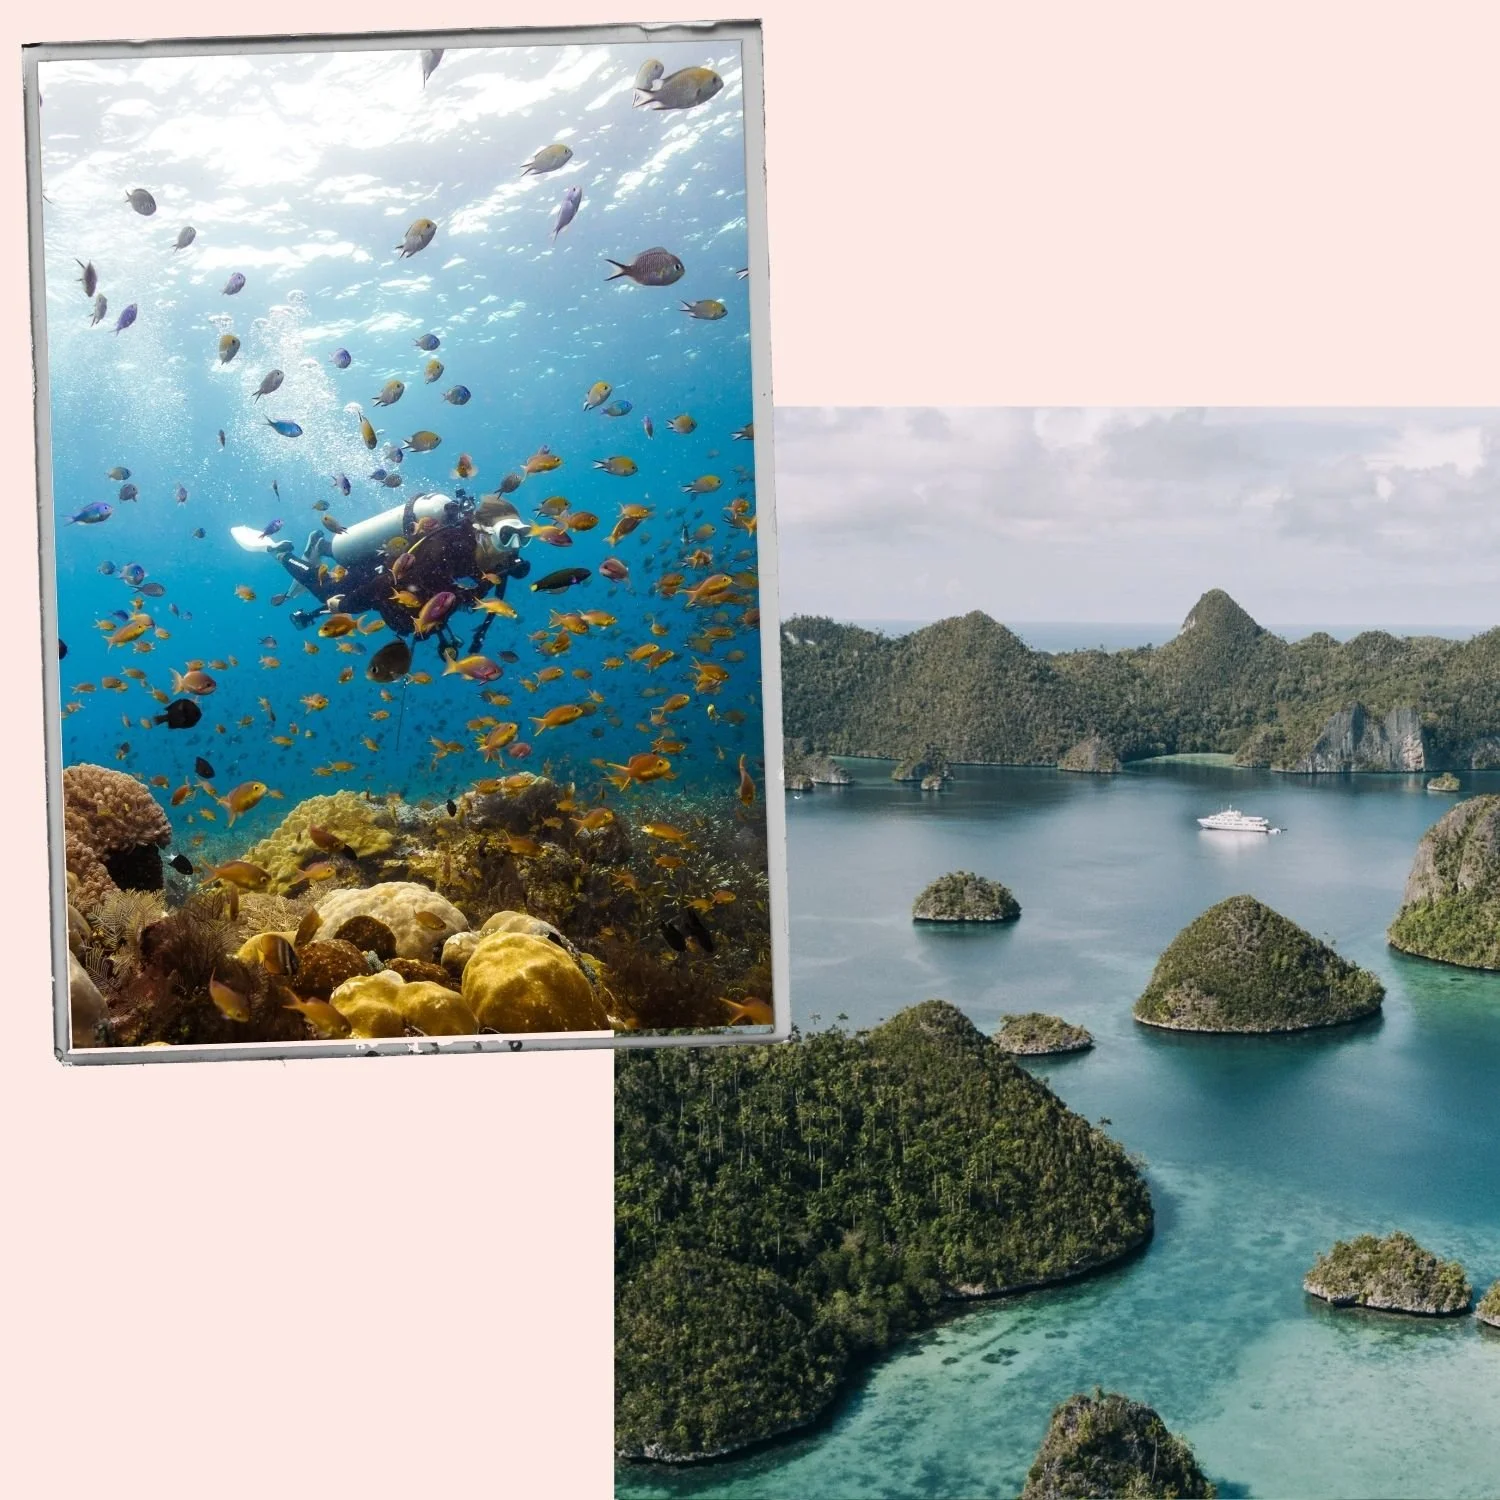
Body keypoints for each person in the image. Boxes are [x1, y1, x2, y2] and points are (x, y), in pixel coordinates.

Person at [234, 490, 530, 659]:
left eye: (523, 538)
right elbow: (383, 584)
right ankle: (279, 551)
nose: (513, 548)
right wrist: (345, 607)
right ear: (481, 531)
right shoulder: (442, 546)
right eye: (507, 536)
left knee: (340, 578)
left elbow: (458, 596)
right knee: (329, 593)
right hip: (380, 571)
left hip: (402, 599)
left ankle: (323, 545)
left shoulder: (495, 566)